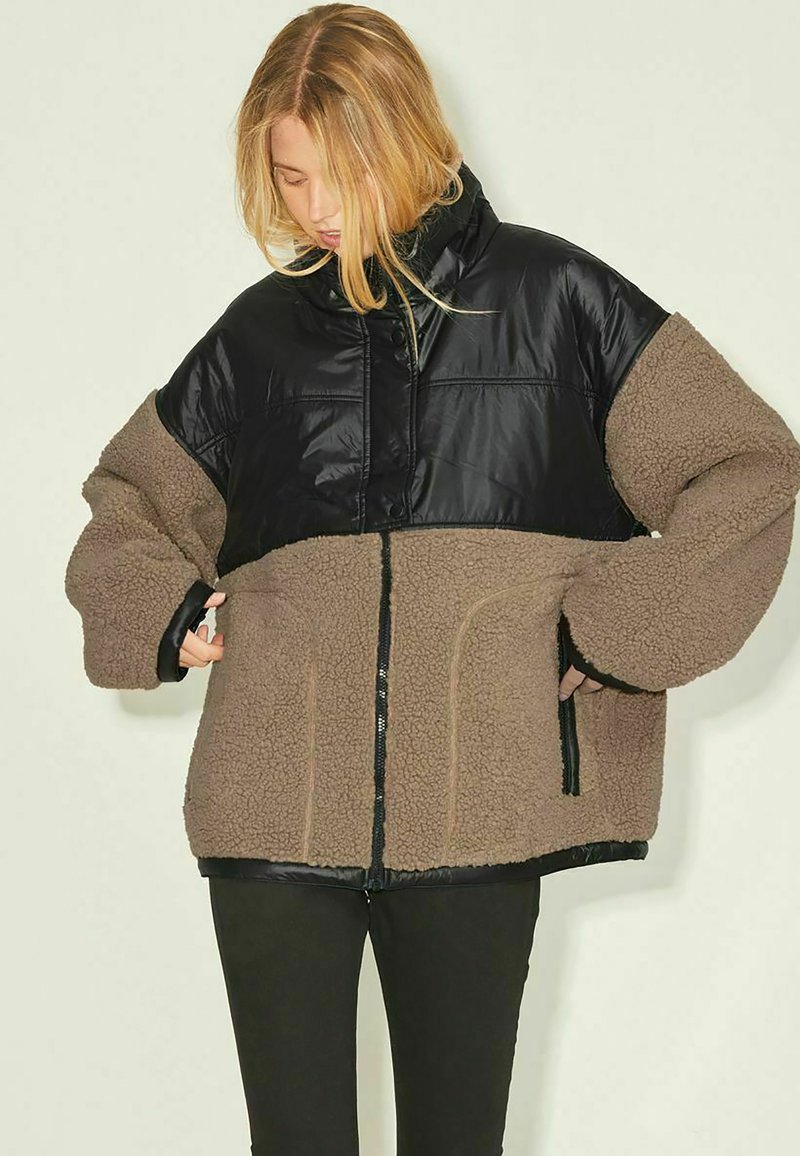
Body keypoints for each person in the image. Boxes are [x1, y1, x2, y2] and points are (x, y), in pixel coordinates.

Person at [63, 4, 800, 1154]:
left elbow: (747, 467)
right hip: (270, 805)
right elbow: (128, 505)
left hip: (478, 808)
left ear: (403, 139)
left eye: (337, 174)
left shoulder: (559, 301)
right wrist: (162, 609)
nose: (314, 209)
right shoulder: (256, 340)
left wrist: (612, 628)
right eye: (289, 178)